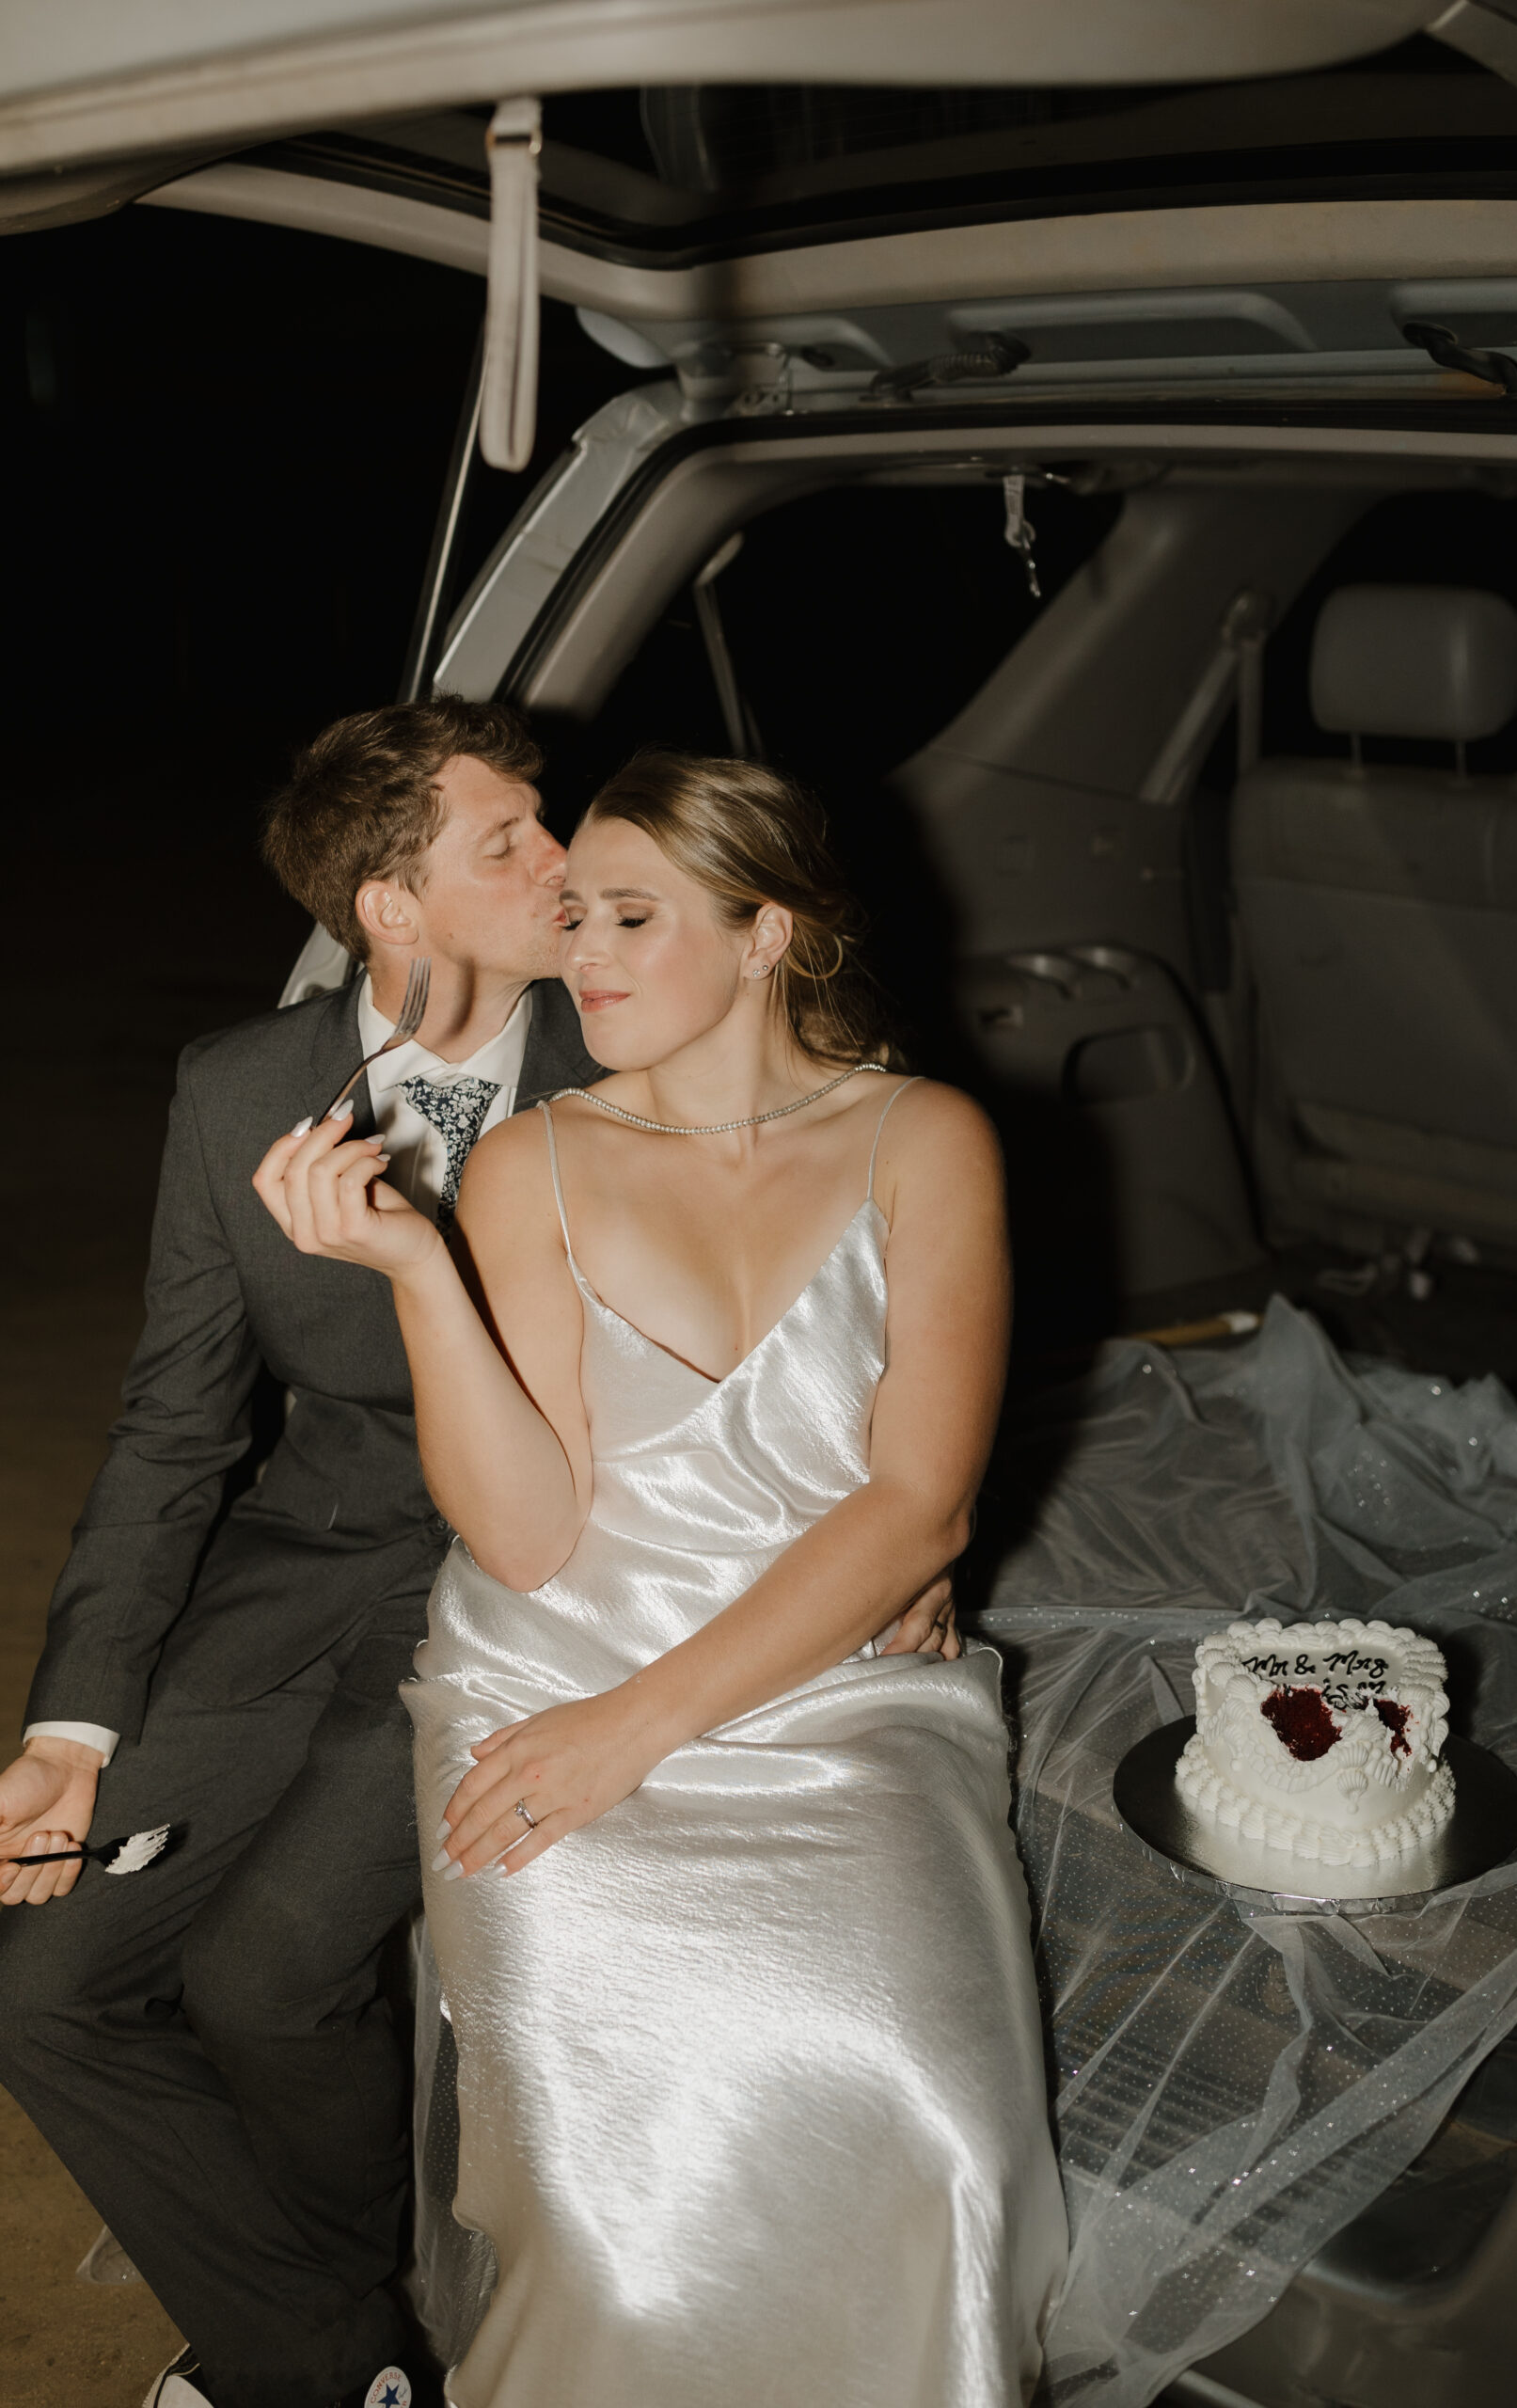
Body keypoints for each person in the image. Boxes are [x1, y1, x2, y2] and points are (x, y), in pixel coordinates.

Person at [0, 699, 955, 2408]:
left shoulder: (649, 1039)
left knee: (270, 1971)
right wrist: (67, 1731)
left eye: (557, 831)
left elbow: (814, 1295)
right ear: (390, 903)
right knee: (43, 1989)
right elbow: (173, 1430)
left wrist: (889, 1534)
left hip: (556, 1588)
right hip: (305, 1573)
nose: (562, 864)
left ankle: (317, 2358)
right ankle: (338, 2353)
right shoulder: (236, 1097)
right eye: (507, 843)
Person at [254, 749, 1069, 2408]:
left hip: (833, 1692)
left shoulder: (926, 1141)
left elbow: (916, 1514)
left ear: (769, 933)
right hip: (543, 1685)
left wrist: (638, 1729)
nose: (586, 956)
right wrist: (417, 1267)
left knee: (934, 2129)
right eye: (572, 918)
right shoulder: (529, 1162)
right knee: (613, 2218)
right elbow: (530, 1533)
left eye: (632, 917)